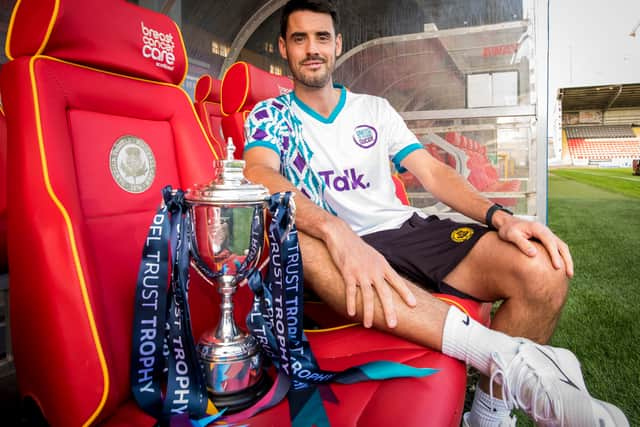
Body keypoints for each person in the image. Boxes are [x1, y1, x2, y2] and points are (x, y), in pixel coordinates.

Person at [242, 1, 629, 426]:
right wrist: (335, 230)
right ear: (283, 47)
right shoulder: (271, 115)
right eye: (299, 38)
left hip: (402, 231)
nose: (312, 49)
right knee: (300, 239)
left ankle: (488, 415)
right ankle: (507, 358)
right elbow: (260, 173)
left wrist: (500, 217)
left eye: (321, 38)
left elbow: (432, 171)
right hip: (331, 247)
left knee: (542, 269)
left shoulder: (374, 109)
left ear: (337, 45)